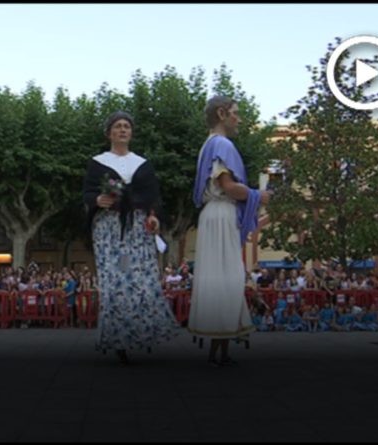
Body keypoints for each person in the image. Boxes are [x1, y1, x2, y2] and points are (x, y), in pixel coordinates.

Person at [82, 110, 178, 365]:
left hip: (138, 227)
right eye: (118, 126)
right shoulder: (98, 162)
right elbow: (88, 192)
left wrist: (154, 216)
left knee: (139, 279)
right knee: (114, 280)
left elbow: (153, 197)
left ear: (131, 133)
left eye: (126, 126)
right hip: (109, 229)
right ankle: (118, 337)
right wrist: (97, 199)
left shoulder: (142, 163)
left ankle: (140, 331)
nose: (123, 129)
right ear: (109, 133)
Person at [187, 96, 272, 367]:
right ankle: (218, 348)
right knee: (226, 278)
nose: (239, 119)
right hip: (222, 214)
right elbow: (229, 187)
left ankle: (219, 349)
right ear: (222, 114)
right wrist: (259, 195)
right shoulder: (222, 145)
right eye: (235, 113)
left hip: (213, 215)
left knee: (222, 278)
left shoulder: (208, 144)